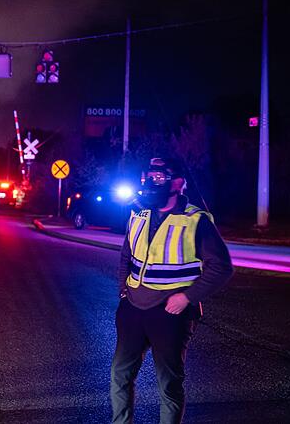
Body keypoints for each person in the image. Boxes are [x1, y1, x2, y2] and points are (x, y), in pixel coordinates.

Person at [110, 158, 234, 424]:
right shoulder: (139, 213)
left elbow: (221, 267)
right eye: (148, 176)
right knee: (119, 376)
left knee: (168, 385)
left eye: (159, 177)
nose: (151, 182)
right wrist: (124, 293)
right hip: (133, 309)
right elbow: (126, 257)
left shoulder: (195, 221)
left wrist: (187, 297)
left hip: (170, 315)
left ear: (177, 182)